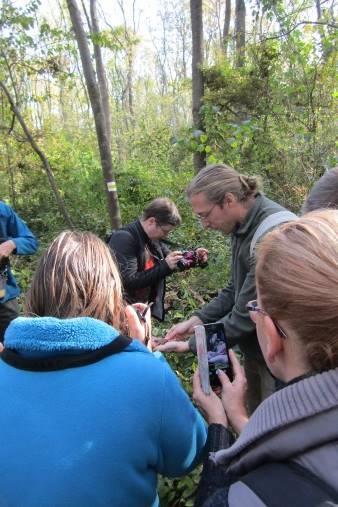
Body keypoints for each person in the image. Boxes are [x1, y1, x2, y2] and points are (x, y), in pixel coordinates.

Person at [0, 231, 207, 507]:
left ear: (36, 291)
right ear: (110, 292)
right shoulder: (146, 377)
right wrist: (146, 355)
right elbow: (187, 456)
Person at [192, 210, 338, 506]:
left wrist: (219, 424)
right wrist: (239, 416)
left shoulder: (249, 498)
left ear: (271, 337)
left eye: (256, 307)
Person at [157, 164, 295, 412]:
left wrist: (192, 345)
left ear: (229, 200)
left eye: (205, 214)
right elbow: (235, 289)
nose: (205, 224)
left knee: (271, 427)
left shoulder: (271, 236)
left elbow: (244, 318)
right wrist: (197, 320)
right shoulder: (241, 227)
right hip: (257, 351)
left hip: (283, 360)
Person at [109, 197, 207, 321]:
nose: (166, 235)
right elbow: (128, 282)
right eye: (165, 231)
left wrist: (195, 257)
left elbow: (174, 260)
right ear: (151, 221)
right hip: (122, 312)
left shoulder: (152, 239)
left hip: (140, 310)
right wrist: (164, 266)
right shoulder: (124, 239)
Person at [0, 201, 38, 342]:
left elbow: (31, 242)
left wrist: (12, 244)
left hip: (4, 298)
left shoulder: (3, 211)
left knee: (14, 344)